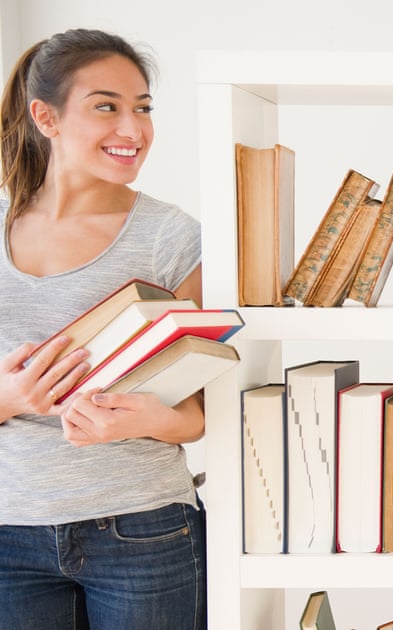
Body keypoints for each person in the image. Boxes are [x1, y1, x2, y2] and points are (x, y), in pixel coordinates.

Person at [0, 29, 206, 629]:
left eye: (142, 108)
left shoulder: (171, 238)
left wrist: (145, 419)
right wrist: (11, 397)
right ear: (46, 116)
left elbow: (199, 412)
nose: (133, 129)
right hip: (11, 534)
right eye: (106, 107)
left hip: (142, 527)